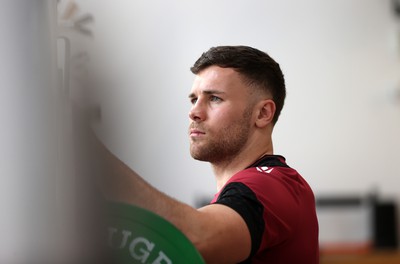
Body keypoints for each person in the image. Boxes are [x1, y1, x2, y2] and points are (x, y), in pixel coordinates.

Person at [103, 46, 319, 264]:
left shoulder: (274, 184)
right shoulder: (230, 200)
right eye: (193, 99)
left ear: (263, 113)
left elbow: (192, 240)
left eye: (214, 98)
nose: (194, 112)